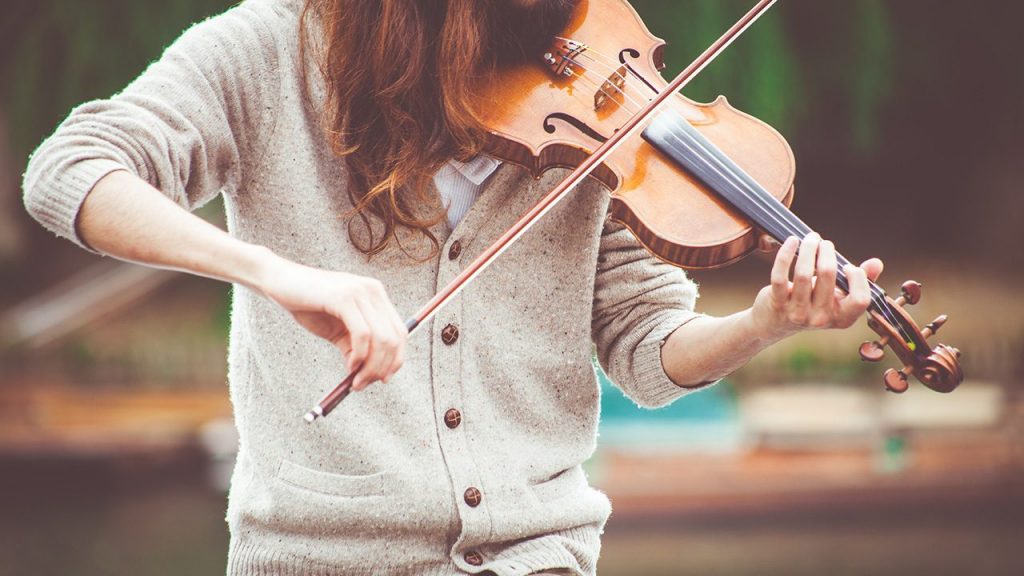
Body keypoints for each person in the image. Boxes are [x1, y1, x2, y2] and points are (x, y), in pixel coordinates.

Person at [22, 0, 882, 574]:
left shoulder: (593, 112)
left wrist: (765, 322)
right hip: (321, 560)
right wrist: (273, 273)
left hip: (539, 558)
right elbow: (69, 171)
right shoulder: (264, 51)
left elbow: (649, 352)